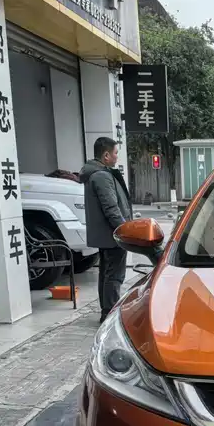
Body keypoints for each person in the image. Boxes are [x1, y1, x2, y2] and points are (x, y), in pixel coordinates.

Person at [80, 137, 133, 321]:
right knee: (114, 276)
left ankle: (107, 311)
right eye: (115, 153)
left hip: (106, 235)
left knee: (107, 273)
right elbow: (111, 208)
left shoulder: (96, 173)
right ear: (106, 155)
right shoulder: (102, 176)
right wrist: (124, 230)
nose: (117, 156)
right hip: (113, 236)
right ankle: (110, 314)